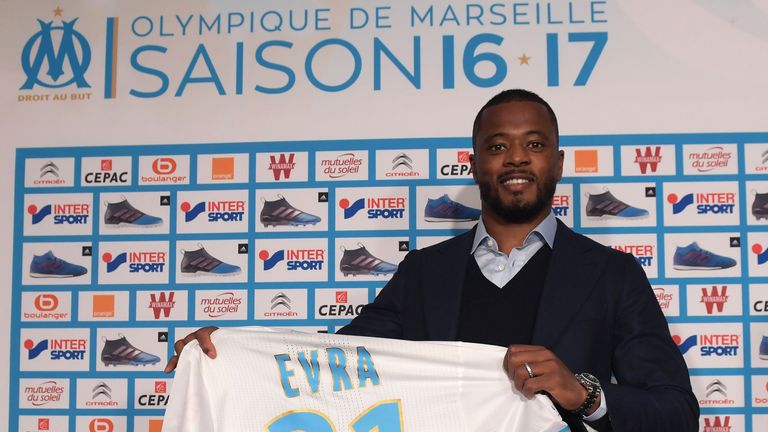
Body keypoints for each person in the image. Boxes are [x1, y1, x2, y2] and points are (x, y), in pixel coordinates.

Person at [165, 89, 698, 431]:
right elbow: (337, 356)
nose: (515, 157)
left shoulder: (612, 274)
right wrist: (234, 349)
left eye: (533, 144)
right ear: (474, 165)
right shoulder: (425, 272)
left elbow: (676, 412)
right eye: (497, 146)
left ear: (556, 162)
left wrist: (582, 393)